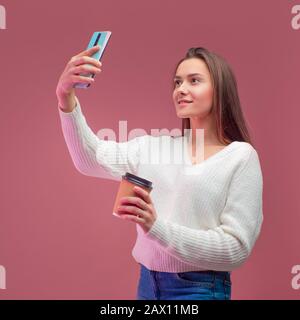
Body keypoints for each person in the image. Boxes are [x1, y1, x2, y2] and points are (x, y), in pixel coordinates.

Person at [56, 45, 263, 300]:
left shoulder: (240, 157)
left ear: (220, 90)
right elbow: (89, 158)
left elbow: (235, 248)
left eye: (194, 81)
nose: (181, 89)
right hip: (147, 285)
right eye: (177, 82)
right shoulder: (153, 147)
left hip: (199, 290)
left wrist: (156, 227)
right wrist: (65, 97)